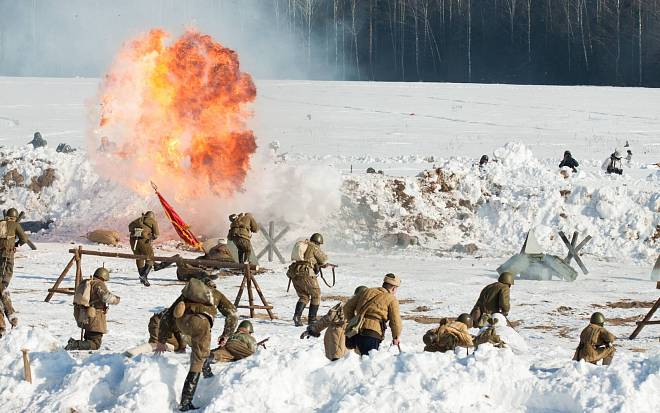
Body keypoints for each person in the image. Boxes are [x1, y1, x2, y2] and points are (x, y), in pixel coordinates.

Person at [155, 277, 238, 411]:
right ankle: (185, 402)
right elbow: (233, 314)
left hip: (181, 322)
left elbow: (167, 315)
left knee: (199, 345)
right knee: (198, 358)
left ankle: (206, 372)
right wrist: (226, 335)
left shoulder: (187, 293)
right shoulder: (216, 294)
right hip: (200, 323)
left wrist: (161, 340)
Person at [300, 285, 368, 361]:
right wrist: (313, 330)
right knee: (337, 363)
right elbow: (328, 318)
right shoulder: (345, 306)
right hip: (338, 337)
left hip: (349, 339)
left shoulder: (365, 308)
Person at [343, 273, 403, 356]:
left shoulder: (365, 291)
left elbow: (347, 307)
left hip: (355, 332)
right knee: (368, 364)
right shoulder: (391, 299)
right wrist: (396, 336)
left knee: (358, 362)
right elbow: (395, 321)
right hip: (372, 334)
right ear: (393, 288)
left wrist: (353, 321)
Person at [65, 268, 121, 350]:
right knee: (95, 344)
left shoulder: (88, 282)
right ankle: (75, 344)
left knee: (89, 339)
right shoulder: (98, 284)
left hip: (85, 315)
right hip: (95, 317)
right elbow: (105, 297)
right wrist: (116, 299)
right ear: (103, 277)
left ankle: (76, 344)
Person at [287, 233, 330, 326]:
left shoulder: (305, 245)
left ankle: (297, 317)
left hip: (295, 273)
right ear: (318, 242)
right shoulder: (314, 247)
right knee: (316, 295)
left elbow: (307, 259)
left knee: (304, 296)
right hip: (306, 274)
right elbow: (323, 259)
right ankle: (312, 320)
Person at [0, 208, 28, 333]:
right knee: (4, 284)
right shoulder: (15, 224)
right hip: (7, 257)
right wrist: (16, 244)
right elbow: (24, 239)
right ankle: (11, 317)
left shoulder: (1, 223)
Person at [128, 211, 160, 286]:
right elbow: (156, 234)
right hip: (144, 240)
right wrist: (151, 237)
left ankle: (142, 277)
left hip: (133, 241)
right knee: (150, 257)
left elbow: (129, 227)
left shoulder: (138, 220)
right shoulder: (152, 221)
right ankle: (144, 276)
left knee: (139, 257)